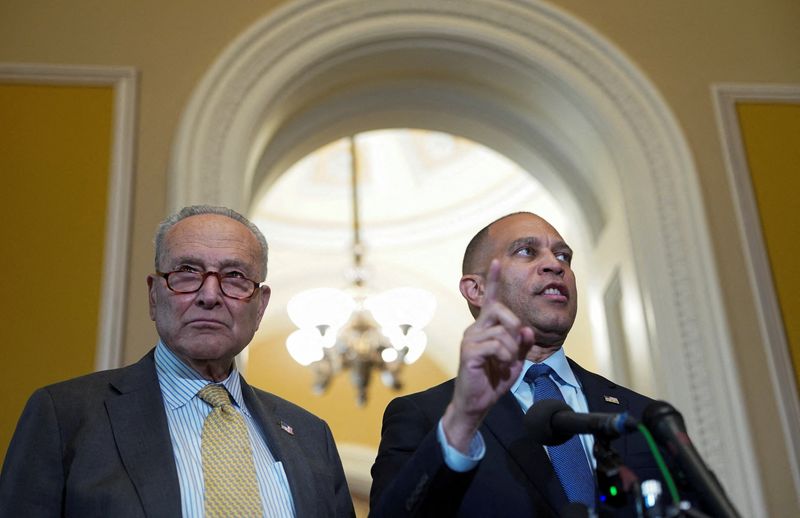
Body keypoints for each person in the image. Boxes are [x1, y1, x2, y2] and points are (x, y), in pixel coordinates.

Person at [0, 205, 354, 517]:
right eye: (187, 272)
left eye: (234, 276)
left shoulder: (311, 435)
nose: (210, 295)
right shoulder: (65, 416)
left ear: (260, 306)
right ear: (154, 295)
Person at [369, 212, 669, 517]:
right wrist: (462, 421)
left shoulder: (641, 414)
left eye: (563, 256)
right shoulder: (425, 417)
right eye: (526, 251)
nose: (556, 264)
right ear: (477, 290)